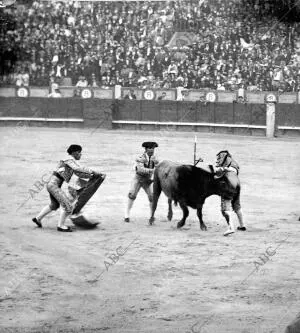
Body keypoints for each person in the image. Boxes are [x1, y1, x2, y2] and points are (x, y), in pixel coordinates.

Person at [32, 145, 105, 232]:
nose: (80, 155)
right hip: (54, 185)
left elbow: (79, 173)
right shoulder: (69, 160)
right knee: (68, 206)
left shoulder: (69, 161)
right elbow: (78, 168)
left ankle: (38, 218)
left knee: (54, 205)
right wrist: (93, 172)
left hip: (52, 185)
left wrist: (92, 175)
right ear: (74, 152)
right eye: (79, 152)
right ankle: (61, 226)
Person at [124, 142, 159, 223]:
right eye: (150, 148)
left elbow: (158, 167)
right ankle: (126, 214)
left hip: (147, 180)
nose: (152, 150)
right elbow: (140, 169)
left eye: (153, 148)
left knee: (151, 197)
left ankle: (152, 215)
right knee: (132, 195)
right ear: (146, 149)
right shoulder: (141, 157)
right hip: (138, 179)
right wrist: (153, 170)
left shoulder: (155, 158)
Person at [214, 150, 246, 235]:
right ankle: (242, 225)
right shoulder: (233, 162)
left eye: (219, 158)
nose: (218, 160)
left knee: (225, 207)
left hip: (229, 183)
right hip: (237, 182)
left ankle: (231, 228)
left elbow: (219, 173)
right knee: (236, 204)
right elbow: (233, 170)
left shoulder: (225, 160)